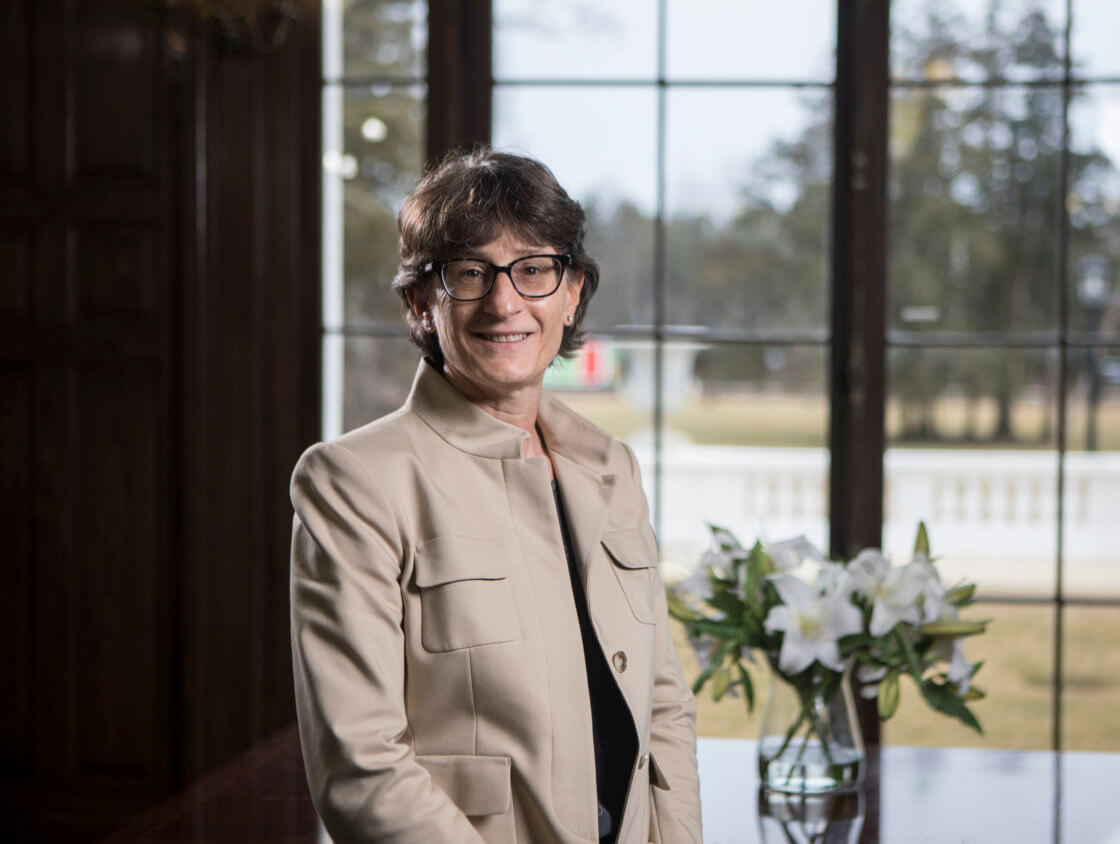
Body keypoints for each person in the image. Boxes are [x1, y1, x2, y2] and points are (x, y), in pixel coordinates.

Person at [289, 148, 702, 843]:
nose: (505, 302)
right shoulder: (355, 482)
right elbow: (362, 768)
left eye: (533, 269)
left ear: (572, 293)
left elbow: (664, 708)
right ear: (422, 302)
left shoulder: (612, 468)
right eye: (469, 272)